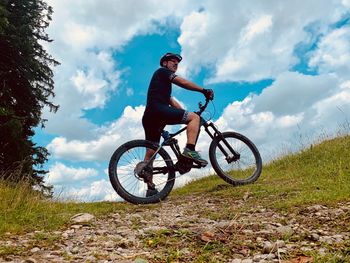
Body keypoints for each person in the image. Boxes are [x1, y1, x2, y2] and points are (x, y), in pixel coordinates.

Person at [141, 53, 214, 193]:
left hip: (150, 116)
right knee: (194, 118)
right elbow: (183, 83)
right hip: (159, 111)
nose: (175, 64)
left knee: (151, 151)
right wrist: (203, 91)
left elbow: (171, 101)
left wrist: (185, 114)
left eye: (177, 62)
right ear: (165, 63)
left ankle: (150, 187)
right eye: (172, 61)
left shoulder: (161, 82)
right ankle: (190, 151)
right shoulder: (163, 72)